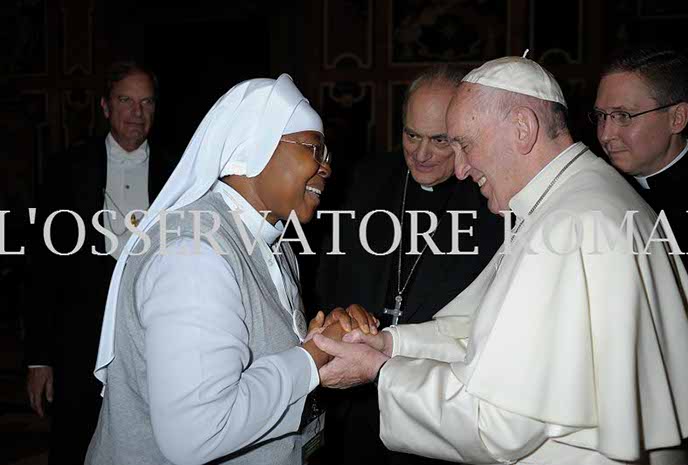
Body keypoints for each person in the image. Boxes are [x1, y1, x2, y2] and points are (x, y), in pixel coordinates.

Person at [313, 56, 688, 465]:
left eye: (465, 144)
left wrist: (380, 371)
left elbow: (499, 425)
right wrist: (392, 344)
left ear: (522, 128)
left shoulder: (569, 225)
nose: (460, 169)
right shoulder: (574, 197)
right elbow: (483, 333)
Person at [84, 74, 377, 465]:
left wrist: (320, 340)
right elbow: (198, 433)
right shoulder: (193, 255)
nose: (326, 168)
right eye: (313, 148)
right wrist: (312, 357)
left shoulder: (271, 239)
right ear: (254, 146)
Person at [312, 64, 502, 465]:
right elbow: (330, 273)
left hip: (439, 404)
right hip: (356, 401)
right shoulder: (365, 180)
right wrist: (340, 314)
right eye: (411, 135)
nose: (420, 153)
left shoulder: (494, 202)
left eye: (439, 140)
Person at [24, 60, 176, 465]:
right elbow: (43, 269)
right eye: (126, 101)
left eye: (146, 102)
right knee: (73, 445)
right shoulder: (66, 168)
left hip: (152, 341)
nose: (137, 113)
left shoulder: (179, 172)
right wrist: (39, 357)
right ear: (106, 107)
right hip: (77, 343)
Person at [592, 46, 688, 293]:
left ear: (677, 118)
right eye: (601, 116)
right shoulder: (597, 185)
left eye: (623, 116)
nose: (606, 135)